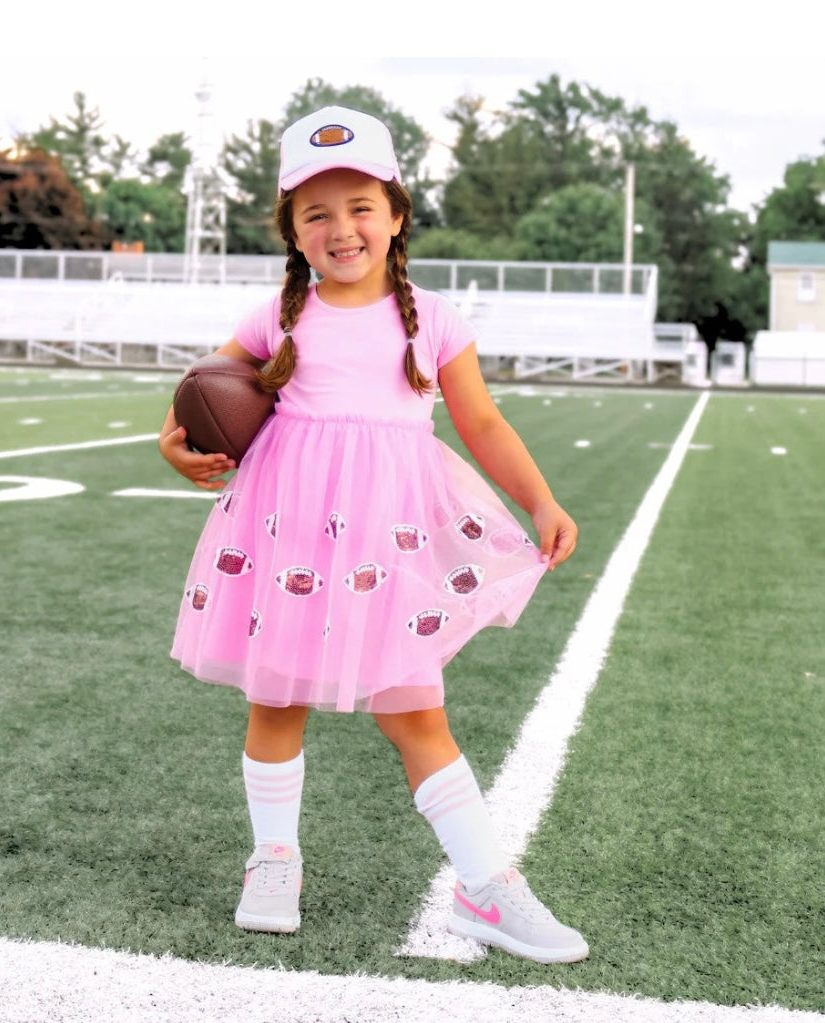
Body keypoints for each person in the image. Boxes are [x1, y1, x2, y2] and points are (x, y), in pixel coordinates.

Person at [158, 106, 587, 965]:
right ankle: (274, 858)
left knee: (417, 711)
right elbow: (195, 398)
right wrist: (170, 442)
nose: (340, 226)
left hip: (383, 550)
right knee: (274, 700)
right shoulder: (274, 318)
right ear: (292, 230)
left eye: (359, 205)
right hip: (287, 541)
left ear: (395, 213)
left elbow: (483, 423)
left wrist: (540, 500)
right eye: (315, 212)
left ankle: (484, 887)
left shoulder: (430, 319)